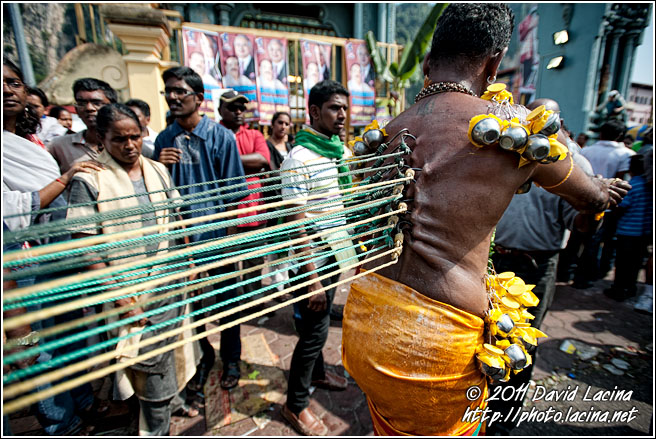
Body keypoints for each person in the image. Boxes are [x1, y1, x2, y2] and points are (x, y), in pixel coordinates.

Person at [340, 4, 629, 436]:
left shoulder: (388, 132)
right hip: (434, 344)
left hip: (366, 318)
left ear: (426, 62)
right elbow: (588, 195)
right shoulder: (513, 130)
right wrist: (601, 187)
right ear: (494, 62)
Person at [65, 103, 201, 435]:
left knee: (176, 349)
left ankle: (172, 405)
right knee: (146, 366)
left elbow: (175, 217)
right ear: (101, 138)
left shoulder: (157, 170)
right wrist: (118, 294)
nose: (129, 146)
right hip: (129, 292)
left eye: (135, 137)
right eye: (119, 139)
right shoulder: (90, 179)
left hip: (167, 284)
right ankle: (155, 427)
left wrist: (190, 260)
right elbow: (86, 244)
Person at [3, 56, 105, 436]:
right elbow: (12, 210)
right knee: (32, 346)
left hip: (53, 259)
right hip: (15, 271)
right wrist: (65, 180)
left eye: (14, 83)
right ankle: (59, 422)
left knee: (65, 335)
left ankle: (80, 406)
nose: (7, 90)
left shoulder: (25, 142)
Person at [485, 99, 597, 435]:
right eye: (530, 116)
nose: (534, 122)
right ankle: (480, 404)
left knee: (521, 346)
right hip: (496, 261)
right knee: (489, 336)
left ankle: (503, 420)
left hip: (536, 266)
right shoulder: (507, 147)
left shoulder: (572, 162)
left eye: (545, 118)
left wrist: (596, 207)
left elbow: (581, 224)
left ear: (556, 122)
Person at [153, 66, 247, 396]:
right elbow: (155, 193)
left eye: (181, 91)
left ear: (199, 99)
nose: (174, 97)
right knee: (190, 306)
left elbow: (235, 195)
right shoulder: (164, 140)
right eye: (169, 91)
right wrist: (158, 166)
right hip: (179, 243)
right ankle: (203, 356)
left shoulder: (221, 138)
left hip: (216, 238)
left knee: (227, 301)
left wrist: (232, 242)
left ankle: (231, 359)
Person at [279, 80, 353, 436]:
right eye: (334, 108)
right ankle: (294, 405)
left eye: (344, 108)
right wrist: (312, 279)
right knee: (311, 335)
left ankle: (319, 375)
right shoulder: (299, 159)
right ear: (314, 111)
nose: (342, 116)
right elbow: (296, 225)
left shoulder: (338, 151)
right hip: (311, 261)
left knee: (320, 329)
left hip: (334, 253)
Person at [218, 90, 271, 352]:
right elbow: (253, 163)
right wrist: (242, 162)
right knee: (225, 266)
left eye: (242, 108)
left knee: (253, 263)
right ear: (220, 110)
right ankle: (227, 306)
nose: (239, 112)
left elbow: (261, 160)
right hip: (226, 215)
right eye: (232, 108)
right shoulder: (215, 133)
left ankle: (251, 302)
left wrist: (224, 159)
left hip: (253, 212)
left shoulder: (254, 135)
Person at [573, 119, 633, 287]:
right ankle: (588, 276)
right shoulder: (625, 154)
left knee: (580, 240)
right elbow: (621, 183)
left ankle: (574, 274)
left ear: (600, 133)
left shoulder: (586, 151)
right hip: (607, 205)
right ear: (620, 135)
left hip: (581, 202)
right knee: (597, 242)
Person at [603, 155, 652, 302]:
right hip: (643, 233)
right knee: (635, 263)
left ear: (631, 169)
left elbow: (621, 207)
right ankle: (631, 288)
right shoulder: (648, 186)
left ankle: (618, 289)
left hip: (627, 232)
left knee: (623, 263)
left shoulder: (631, 185)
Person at [48, 77, 118, 173]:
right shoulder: (58, 146)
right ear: (76, 109)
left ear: (112, 107)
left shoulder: (128, 143)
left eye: (96, 103)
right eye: (81, 103)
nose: (89, 108)